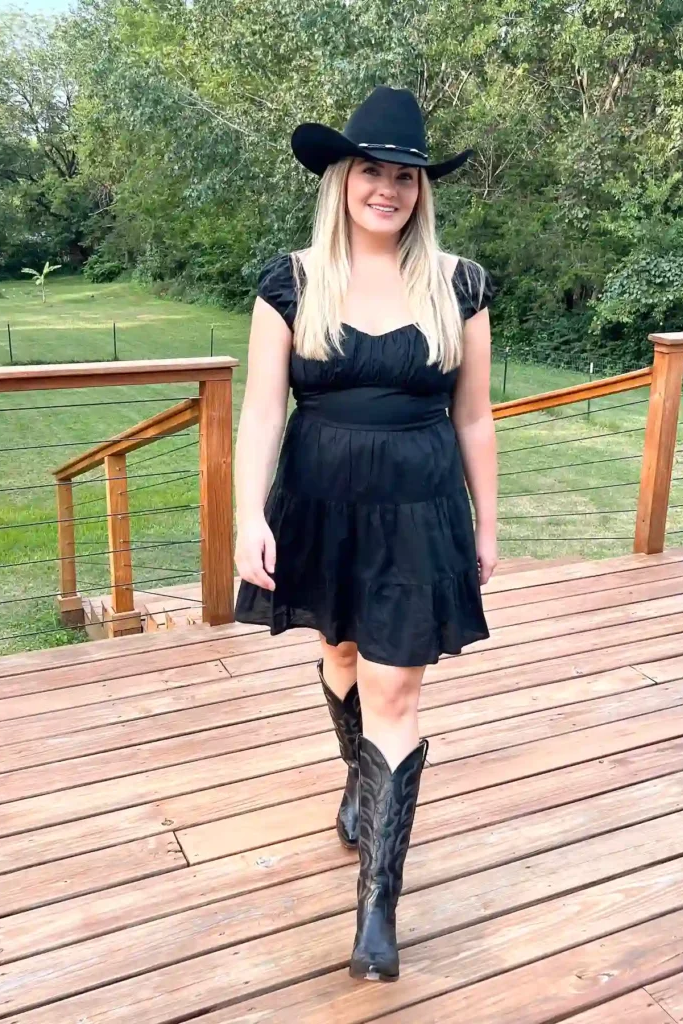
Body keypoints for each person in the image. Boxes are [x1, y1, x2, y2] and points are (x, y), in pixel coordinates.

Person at [234, 84, 498, 982]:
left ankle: (377, 911)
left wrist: (486, 526)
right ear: (342, 178)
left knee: (394, 692)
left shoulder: (458, 283)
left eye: (404, 177)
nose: (387, 188)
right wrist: (244, 515)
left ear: (421, 191)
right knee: (341, 653)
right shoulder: (290, 281)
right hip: (317, 501)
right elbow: (263, 412)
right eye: (371, 172)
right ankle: (357, 780)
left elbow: (474, 420)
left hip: (419, 512)